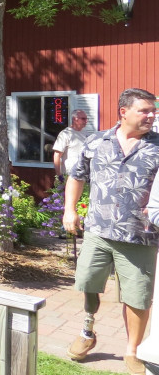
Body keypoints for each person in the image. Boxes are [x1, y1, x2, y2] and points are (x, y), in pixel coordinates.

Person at [64, 88, 159, 375]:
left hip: (140, 236)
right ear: (124, 112)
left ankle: (133, 352)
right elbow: (76, 176)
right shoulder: (96, 141)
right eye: (145, 110)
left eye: (153, 110)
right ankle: (87, 331)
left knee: (137, 297)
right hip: (98, 230)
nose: (152, 115)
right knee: (89, 284)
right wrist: (70, 210)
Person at [53, 109, 90, 180]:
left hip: (84, 174)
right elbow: (57, 155)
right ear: (75, 119)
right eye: (83, 119)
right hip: (69, 175)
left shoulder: (86, 134)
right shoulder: (65, 134)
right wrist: (59, 175)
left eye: (86, 119)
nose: (86, 121)